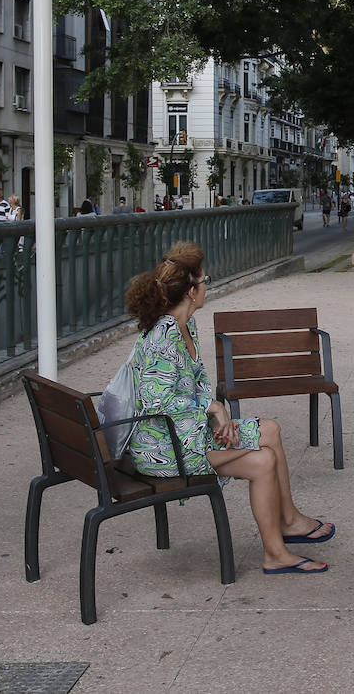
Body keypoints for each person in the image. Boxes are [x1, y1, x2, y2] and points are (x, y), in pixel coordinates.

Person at [124, 242, 334, 574]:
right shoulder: (162, 337)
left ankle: (287, 525)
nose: (208, 285)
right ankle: (278, 547)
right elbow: (155, 401)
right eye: (205, 280)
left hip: (186, 434)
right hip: (165, 450)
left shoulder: (184, 326)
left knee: (270, 433)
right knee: (263, 458)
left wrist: (217, 416)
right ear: (192, 292)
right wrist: (211, 408)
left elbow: (195, 384)